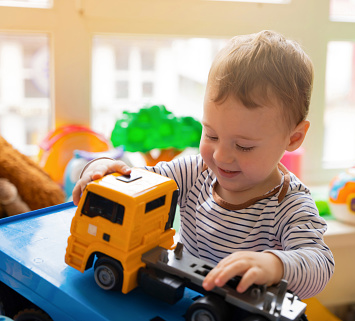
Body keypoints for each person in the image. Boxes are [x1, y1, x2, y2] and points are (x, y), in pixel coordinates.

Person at [73, 30, 334, 300]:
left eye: (243, 146)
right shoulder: (192, 172)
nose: (221, 156)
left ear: (293, 138)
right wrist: (103, 167)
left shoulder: (290, 205)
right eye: (211, 135)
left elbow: (320, 264)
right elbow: (136, 182)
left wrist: (276, 265)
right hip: (183, 298)